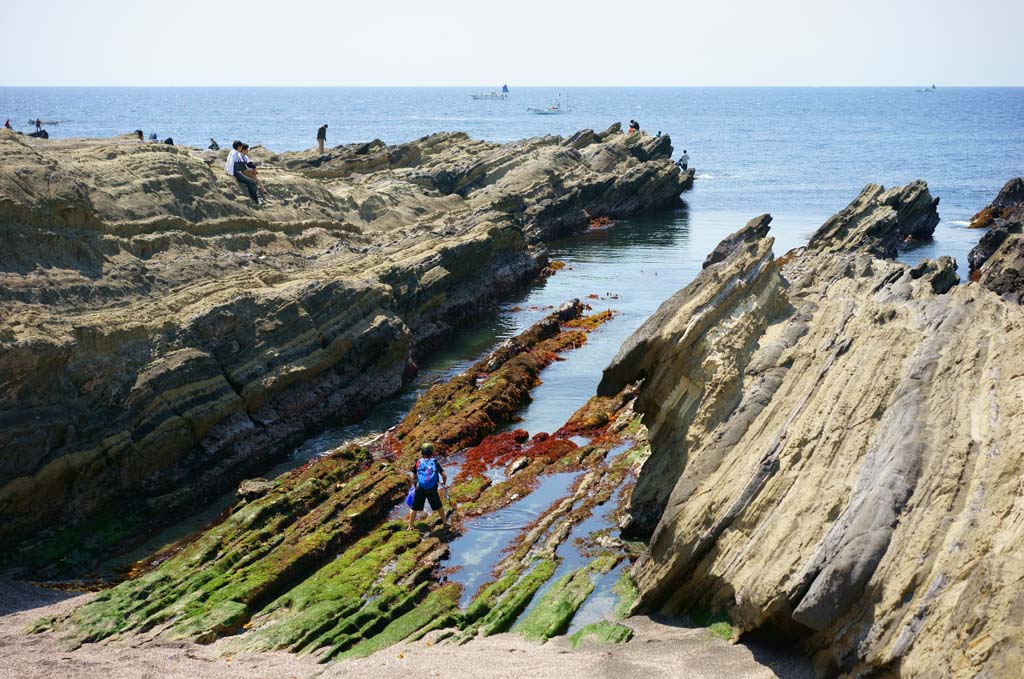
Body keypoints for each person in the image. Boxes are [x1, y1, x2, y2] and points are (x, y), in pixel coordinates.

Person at [408, 441, 447, 529]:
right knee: (439, 506)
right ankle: (445, 523)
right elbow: (444, 475)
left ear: (422, 452)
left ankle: (410, 526)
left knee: (414, 508)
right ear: (432, 452)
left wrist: (414, 487)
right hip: (432, 488)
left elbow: (414, 477)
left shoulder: (418, 462)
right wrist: (443, 483)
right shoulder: (435, 462)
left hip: (420, 487)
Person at [225, 140, 261, 206]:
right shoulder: (234, 154)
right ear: (239, 147)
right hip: (236, 173)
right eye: (241, 146)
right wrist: (232, 175)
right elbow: (231, 164)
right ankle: (256, 199)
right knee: (251, 182)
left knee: (252, 181)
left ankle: (257, 198)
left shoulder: (234, 152)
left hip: (238, 172)